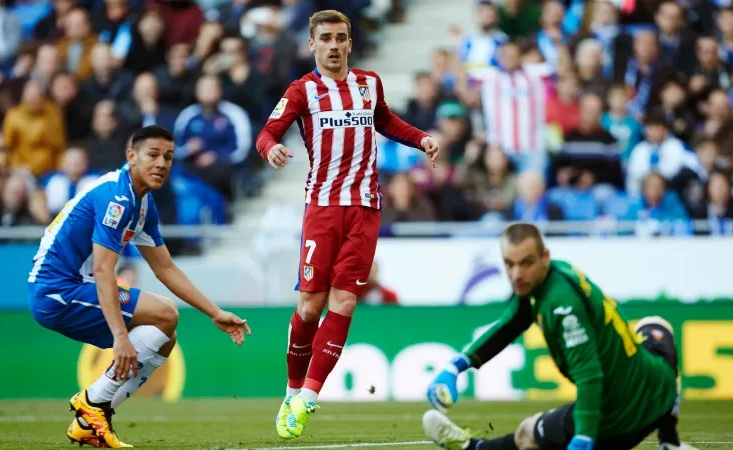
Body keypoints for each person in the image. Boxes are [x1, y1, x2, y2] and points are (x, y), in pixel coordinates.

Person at [254, 9, 439, 440]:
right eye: (326, 39)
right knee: (309, 309)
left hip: (365, 210)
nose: (334, 46)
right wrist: (271, 152)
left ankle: (307, 399)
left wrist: (420, 138)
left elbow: (386, 120)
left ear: (350, 43)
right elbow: (267, 133)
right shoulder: (302, 91)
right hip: (322, 209)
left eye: (340, 38)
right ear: (312, 45)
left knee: (345, 303)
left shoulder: (368, 84)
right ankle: (291, 390)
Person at [26, 125, 251, 448]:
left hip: (72, 286)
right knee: (164, 313)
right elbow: (105, 269)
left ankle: (90, 418)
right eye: (154, 155)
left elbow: (165, 268)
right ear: (131, 156)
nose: (162, 163)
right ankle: (92, 402)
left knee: (165, 337)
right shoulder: (116, 197)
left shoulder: (143, 204)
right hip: (55, 291)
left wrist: (214, 313)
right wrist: (120, 337)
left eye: (169, 157)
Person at [423, 222, 697, 450]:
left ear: (544, 257)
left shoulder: (561, 307)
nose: (517, 274)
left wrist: (585, 436)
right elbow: (508, 326)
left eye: (526, 263)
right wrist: (456, 366)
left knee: (527, 433)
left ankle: (471, 448)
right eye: (509, 264)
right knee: (656, 326)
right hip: (658, 391)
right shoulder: (553, 275)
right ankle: (670, 441)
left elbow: (590, 376)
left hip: (619, 418)